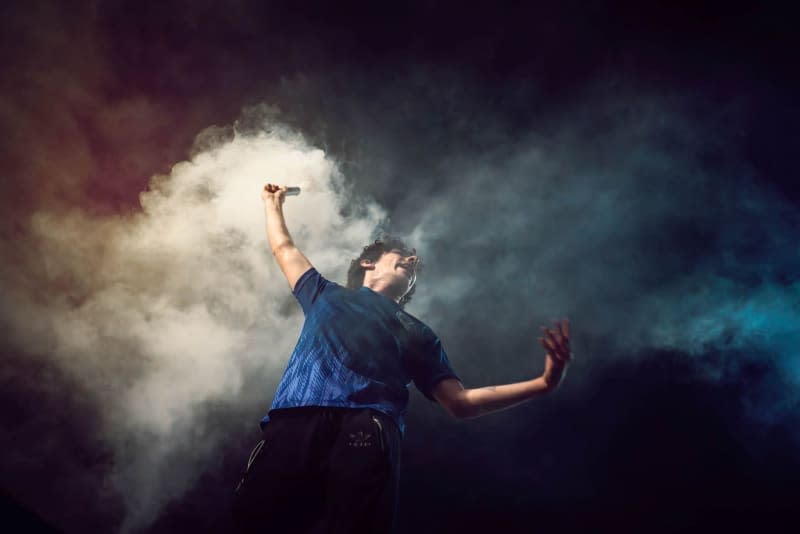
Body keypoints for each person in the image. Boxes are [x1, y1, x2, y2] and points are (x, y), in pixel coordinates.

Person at [232, 184, 573, 533]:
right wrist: (271, 203)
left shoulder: (417, 332)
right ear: (368, 262)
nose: (412, 261)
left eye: (414, 264)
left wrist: (543, 384)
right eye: (402, 255)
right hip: (295, 422)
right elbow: (284, 247)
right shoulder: (323, 293)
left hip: (367, 427)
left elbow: (461, 402)